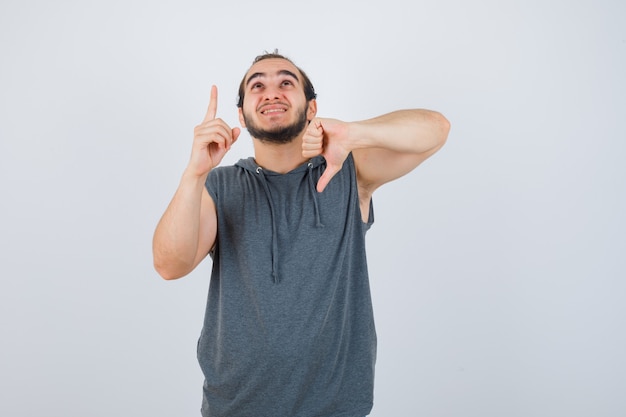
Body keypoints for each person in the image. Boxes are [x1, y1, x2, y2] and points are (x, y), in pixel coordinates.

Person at [152, 51, 450, 417]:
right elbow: (170, 264)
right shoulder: (219, 185)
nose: (271, 92)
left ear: (311, 109)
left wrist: (354, 133)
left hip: (336, 408)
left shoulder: (347, 172)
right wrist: (193, 174)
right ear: (242, 116)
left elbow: (436, 130)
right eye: (257, 85)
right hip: (235, 407)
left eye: (286, 83)